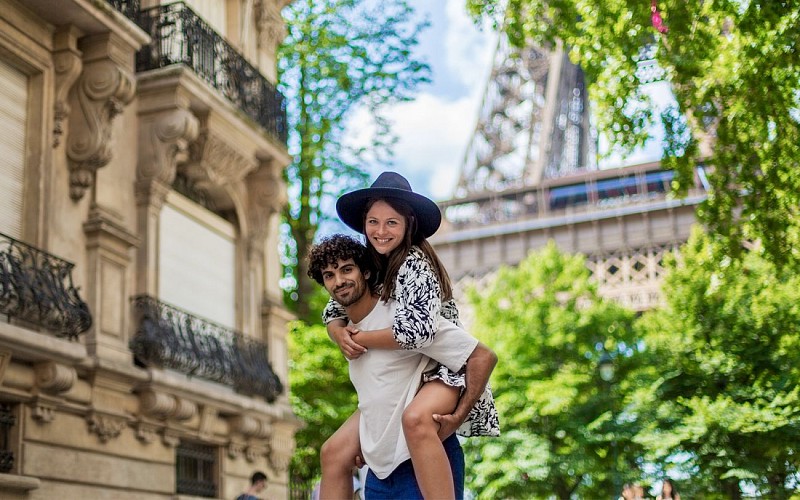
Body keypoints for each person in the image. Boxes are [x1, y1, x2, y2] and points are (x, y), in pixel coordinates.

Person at [321, 172, 499, 499]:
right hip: (401, 375)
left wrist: (357, 338)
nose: (380, 231)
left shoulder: (414, 261)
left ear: (409, 223)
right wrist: (337, 334)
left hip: (439, 368)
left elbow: (417, 331)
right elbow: (334, 309)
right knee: (333, 452)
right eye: (373, 222)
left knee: (416, 419)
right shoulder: (370, 265)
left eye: (391, 222)